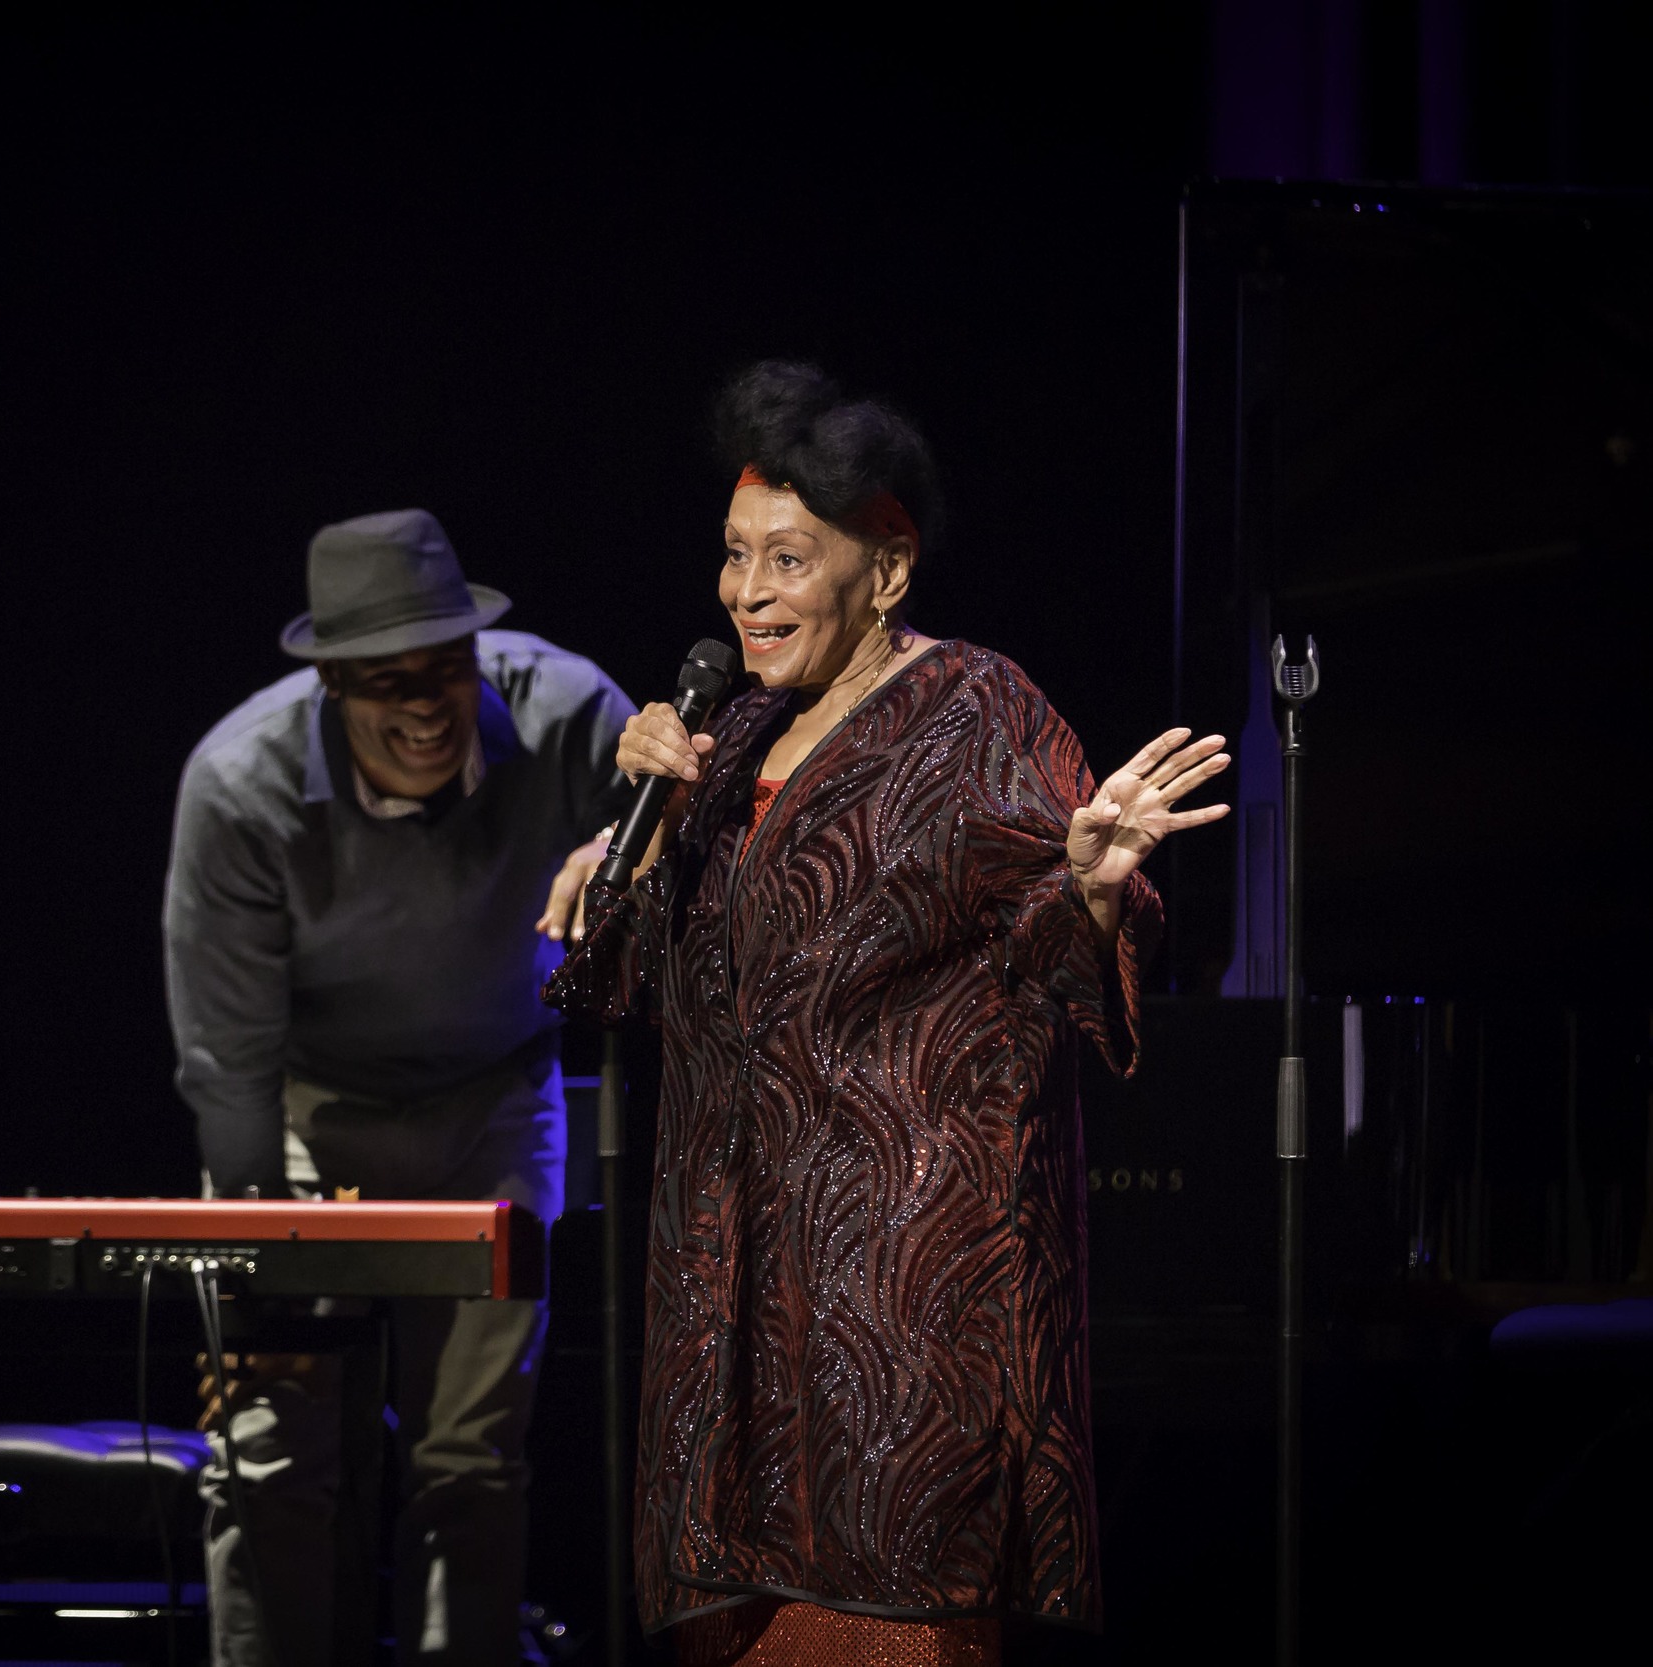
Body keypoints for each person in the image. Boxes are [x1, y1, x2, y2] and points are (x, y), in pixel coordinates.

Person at [543, 363, 1228, 1667]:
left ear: (889, 567)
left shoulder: (974, 713)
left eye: (790, 559)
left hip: (901, 1315)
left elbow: (1050, 948)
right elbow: (623, 984)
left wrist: (1088, 885)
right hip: (727, 1317)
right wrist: (619, 852)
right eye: (736, 556)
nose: (747, 592)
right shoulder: (732, 734)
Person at [165, 507, 635, 1667]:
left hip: (497, 1091)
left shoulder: (572, 714)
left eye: (445, 669)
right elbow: (224, 1051)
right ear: (329, 681)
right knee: (270, 1437)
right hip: (304, 1112)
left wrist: (622, 849)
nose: (425, 705)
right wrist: (255, 1260)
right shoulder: (239, 783)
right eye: (386, 682)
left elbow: (681, 853)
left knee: (470, 1455)